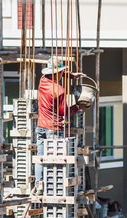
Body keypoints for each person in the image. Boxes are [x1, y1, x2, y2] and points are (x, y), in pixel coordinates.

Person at [35, 57, 85, 195]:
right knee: (55, 161)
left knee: (41, 158)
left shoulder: (43, 81)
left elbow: (53, 74)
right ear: (59, 72)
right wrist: (77, 107)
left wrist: (71, 75)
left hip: (41, 126)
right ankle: (54, 187)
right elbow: (64, 112)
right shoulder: (60, 90)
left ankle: (39, 185)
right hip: (54, 128)